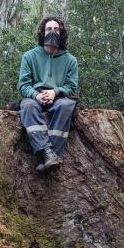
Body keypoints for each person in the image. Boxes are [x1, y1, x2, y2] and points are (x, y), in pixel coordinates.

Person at [17, 17, 79, 173]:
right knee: (27, 105)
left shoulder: (70, 60)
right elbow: (23, 85)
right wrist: (36, 95)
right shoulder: (29, 56)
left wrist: (55, 91)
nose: (52, 32)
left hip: (58, 97)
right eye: (49, 29)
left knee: (66, 106)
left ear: (62, 33)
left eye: (56, 29)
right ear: (42, 32)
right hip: (35, 96)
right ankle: (47, 153)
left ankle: (52, 157)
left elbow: (71, 86)